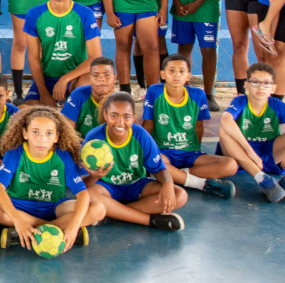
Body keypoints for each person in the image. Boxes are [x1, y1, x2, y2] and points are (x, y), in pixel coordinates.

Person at [0, 106, 104, 251]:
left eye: (49, 133)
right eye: (35, 132)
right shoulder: (15, 153)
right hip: (19, 208)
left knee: (98, 209)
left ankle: (29, 234)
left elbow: (82, 193)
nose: (42, 139)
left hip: (52, 208)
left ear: (56, 137)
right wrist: (17, 219)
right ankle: (56, 231)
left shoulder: (62, 156)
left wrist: (74, 224)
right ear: (25, 133)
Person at [83, 92, 186, 231]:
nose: (120, 122)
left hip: (136, 185)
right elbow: (82, 184)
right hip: (106, 189)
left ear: (133, 118)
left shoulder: (141, 135)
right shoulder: (94, 139)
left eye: (126, 117)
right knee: (88, 194)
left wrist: (168, 183)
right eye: (114, 116)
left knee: (179, 195)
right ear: (105, 114)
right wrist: (94, 176)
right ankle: (150, 220)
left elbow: (159, 169)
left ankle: (114, 213)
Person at [219, 62, 285, 202]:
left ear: (273, 88)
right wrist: (250, 152)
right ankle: (262, 179)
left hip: (269, 152)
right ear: (246, 85)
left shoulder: (275, 105)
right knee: (224, 131)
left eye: (266, 83)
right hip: (241, 154)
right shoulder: (241, 101)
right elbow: (225, 119)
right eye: (255, 82)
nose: (261, 87)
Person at [141, 54, 237, 199]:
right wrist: (145, 152)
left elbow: (199, 127)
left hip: (189, 153)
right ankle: (200, 184)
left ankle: (176, 175)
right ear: (163, 74)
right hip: (163, 152)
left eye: (181, 71)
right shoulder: (155, 91)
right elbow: (148, 125)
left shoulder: (197, 94)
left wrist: (195, 150)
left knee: (230, 165)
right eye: (171, 71)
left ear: (188, 76)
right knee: (153, 162)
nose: (176, 75)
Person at [23, 0, 102, 105]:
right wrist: (44, 93)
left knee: (88, 84)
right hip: (47, 78)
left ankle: (76, 110)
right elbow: (33, 57)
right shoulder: (34, 14)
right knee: (24, 111)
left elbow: (95, 57)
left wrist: (65, 79)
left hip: (75, 78)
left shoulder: (85, 14)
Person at [60, 56, 118, 137]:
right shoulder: (78, 94)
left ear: (115, 78)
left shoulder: (120, 102)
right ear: (90, 78)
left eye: (107, 75)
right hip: (79, 144)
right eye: (95, 75)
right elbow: (66, 132)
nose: (101, 79)